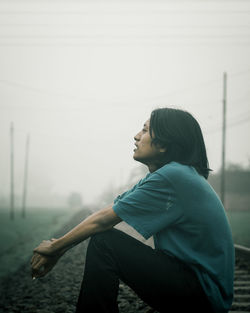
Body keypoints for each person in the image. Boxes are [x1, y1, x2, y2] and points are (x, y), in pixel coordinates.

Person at [31, 107, 234, 313]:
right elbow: (110, 210)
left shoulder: (174, 176)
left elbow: (103, 220)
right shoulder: (170, 175)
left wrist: (55, 248)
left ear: (163, 144)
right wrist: (60, 247)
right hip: (199, 290)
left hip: (203, 297)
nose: (136, 136)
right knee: (105, 240)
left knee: (105, 242)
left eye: (145, 130)